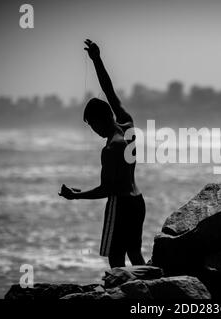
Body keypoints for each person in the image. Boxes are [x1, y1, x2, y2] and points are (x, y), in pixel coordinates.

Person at [59, 39, 146, 268]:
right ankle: (152, 291)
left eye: (92, 125)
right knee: (135, 255)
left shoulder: (110, 148)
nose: (93, 130)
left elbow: (107, 190)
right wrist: (97, 60)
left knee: (116, 258)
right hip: (138, 201)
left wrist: (76, 196)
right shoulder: (128, 126)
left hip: (121, 204)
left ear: (101, 119)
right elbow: (109, 90)